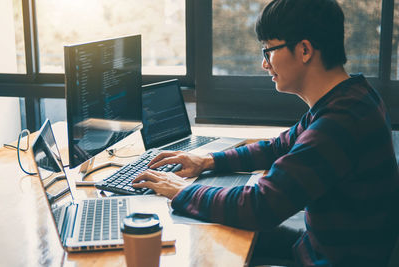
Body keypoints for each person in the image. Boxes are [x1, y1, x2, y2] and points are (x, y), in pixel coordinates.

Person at [133, 0, 399, 266]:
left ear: (304, 50)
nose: (264, 64)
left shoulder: (340, 122)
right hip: (318, 248)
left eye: (268, 51)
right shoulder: (351, 97)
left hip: (328, 260)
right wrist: (208, 161)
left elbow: (259, 207)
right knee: (211, 234)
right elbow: (277, 147)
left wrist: (181, 191)